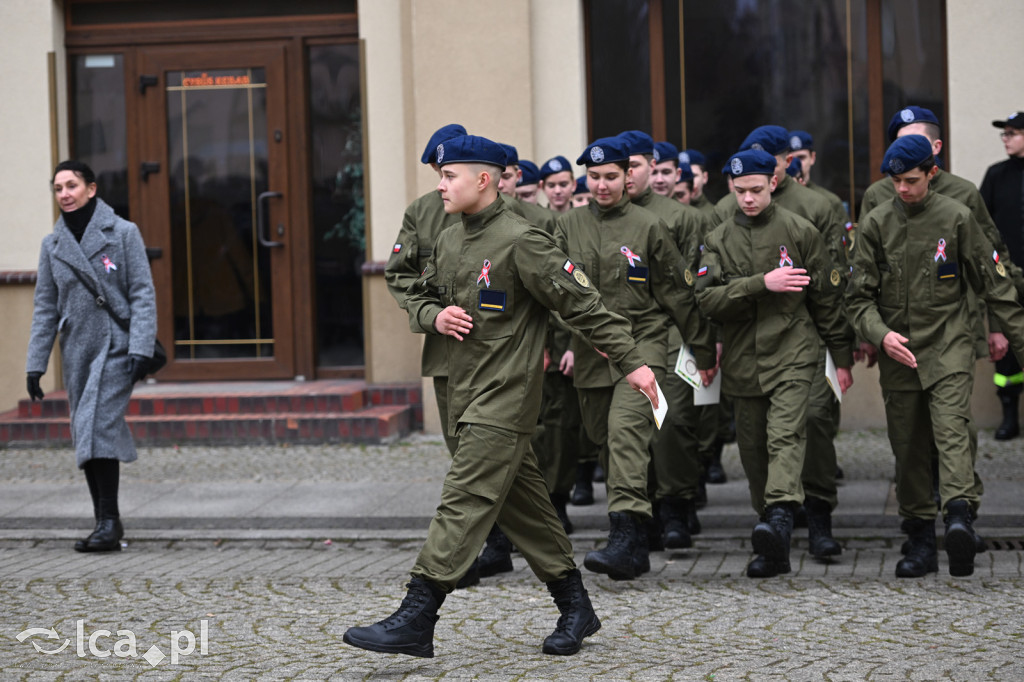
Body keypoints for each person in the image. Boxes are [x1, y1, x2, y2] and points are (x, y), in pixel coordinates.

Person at [343, 134, 660, 658]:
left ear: (483, 180)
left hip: (506, 398)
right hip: (464, 393)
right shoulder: (448, 239)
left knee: (464, 498)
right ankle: (577, 607)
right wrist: (434, 316)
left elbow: (583, 305)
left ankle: (419, 612)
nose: (440, 186)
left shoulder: (524, 239)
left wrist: (633, 363)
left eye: (450, 177)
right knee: (524, 507)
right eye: (441, 178)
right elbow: (418, 294)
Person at [846, 135, 1024, 578]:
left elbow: (997, 288)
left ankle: (959, 517)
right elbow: (857, 299)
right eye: (895, 182)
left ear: (932, 174)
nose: (902, 189)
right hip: (899, 351)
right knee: (907, 447)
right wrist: (879, 334)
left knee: (951, 431)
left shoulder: (958, 217)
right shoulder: (876, 223)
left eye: (911, 181)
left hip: (948, 344)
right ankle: (920, 539)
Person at [554, 135, 716, 581]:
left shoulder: (649, 226)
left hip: (642, 347)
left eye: (611, 177)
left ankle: (624, 536)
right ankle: (640, 541)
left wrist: (702, 351)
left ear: (628, 177)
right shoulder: (568, 227)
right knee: (604, 440)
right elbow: (556, 294)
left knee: (626, 433)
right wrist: (567, 342)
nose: (602, 185)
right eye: (594, 177)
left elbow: (678, 296)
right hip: (591, 355)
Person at [696, 149, 854, 578]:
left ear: (773, 184)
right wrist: (759, 284)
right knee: (753, 454)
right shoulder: (717, 238)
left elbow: (825, 300)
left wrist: (841, 358)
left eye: (756, 190)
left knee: (786, 434)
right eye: (740, 190)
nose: (748, 198)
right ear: (731, 187)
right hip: (745, 359)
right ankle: (772, 540)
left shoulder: (800, 231)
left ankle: (782, 513)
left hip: (793, 352)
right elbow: (707, 299)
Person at [26, 160, 158, 553]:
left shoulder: (122, 232)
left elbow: (142, 294)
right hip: (78, 352)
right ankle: (106, 522)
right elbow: (45, 307)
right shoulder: (52, 246)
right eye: (58, 188)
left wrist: (141, 347)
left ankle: (108, 523)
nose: (64, 194)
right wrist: (36, 363)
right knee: (88, 430)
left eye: (71, 185)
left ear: (91, 189)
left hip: (118, 346)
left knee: (97, 423)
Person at [618, 129, 716, 549]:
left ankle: (676, 503)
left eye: (638, 167)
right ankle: (638, 512)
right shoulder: (602, 218)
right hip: (620, 333)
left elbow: (690, 288)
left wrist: (703, 342)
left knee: (670, 418)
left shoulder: (681, 217)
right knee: (626, 429)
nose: (628, 177)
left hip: (673, 330)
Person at [980, 111, 1024, 439]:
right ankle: (1009, 416)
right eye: (1003, 134)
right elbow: (982, 228)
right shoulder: (996, 175)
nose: (1006, 138)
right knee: (1006, 354)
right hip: (1007, 280)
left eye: (1012, 133)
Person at [680, 149, 714, 216]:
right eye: (682, 175)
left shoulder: (713, 215)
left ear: (705, 177)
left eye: (694, 175)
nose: (688, 181)